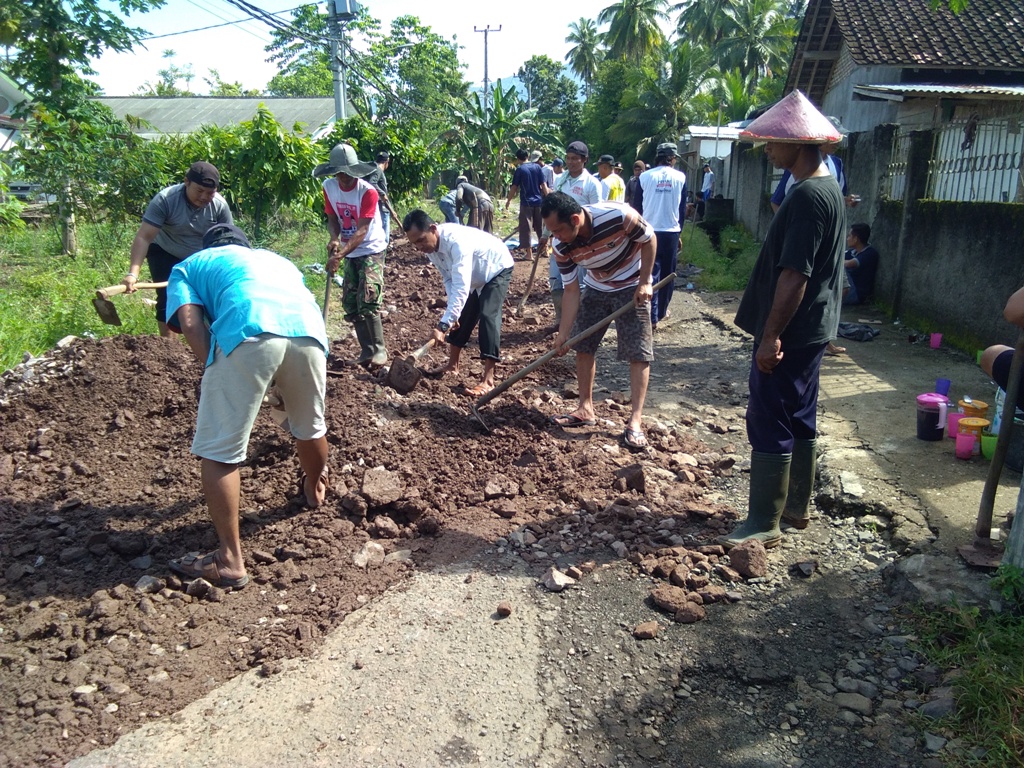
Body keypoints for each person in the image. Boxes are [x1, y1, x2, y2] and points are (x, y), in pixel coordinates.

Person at [164, 223, 330, 589]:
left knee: (220, 450)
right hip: (310, 334)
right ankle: (314, 489)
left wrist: (216, 365)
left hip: (249, 329)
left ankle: (229, 560)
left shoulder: (189, 266)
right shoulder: (277, 261)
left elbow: (190, 324)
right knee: (309, 425)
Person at [720, 90, 846, 549]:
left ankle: (762, 522)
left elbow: (795, 275)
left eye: (773, 140)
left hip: (792, 331)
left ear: (798, 143)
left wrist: (770, 335)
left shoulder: (810, 196)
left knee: (770, 414)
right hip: (812, 328)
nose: (767, 148)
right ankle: (795, 508)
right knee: (800, 413)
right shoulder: (825, 187)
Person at [541, 191, 657, 450]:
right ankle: (585, 409)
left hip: (631, 284)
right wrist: (563, 333)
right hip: (596, 285)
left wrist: (645, 282)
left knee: (637, 351)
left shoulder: (619, 216)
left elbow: (649, 239)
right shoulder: (561, 246)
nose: (555, 237)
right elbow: (571, 290)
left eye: (558, 230)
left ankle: (635, 420)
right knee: (582, 344)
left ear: (575, 219)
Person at [402, 209, 514, 397]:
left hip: (496, 268)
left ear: (433, 228)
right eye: (415, 243)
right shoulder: (430, 248)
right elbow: (448, 278)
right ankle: (452, 365)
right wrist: (452, 316)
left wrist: (444, 324)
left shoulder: (457, 242)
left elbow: (461, 285)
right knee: (461, 315)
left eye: (421, 240)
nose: (419, 247)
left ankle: (488, 380)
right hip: (473, 277)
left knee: (488, 315)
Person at [123, 161, 233, 337]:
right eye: (199, 191)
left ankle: (208, 349)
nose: (204, 197)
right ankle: (169, 350)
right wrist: (132, 273)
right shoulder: (166, 200)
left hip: (201, 256)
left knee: (207, 301)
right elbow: (144, 237)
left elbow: (227, 242)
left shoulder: (219, 206)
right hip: (166, 250)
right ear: (186, 182)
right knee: (167, 300)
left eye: (210, 193)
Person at [314, 143, 389, 369]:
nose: (344, 179)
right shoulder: (329, 187)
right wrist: (334, 238)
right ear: (334, 173)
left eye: (348, 174)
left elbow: (362, 230)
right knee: (350, 301)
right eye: (340, 174)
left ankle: (380, 349)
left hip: (370, 248)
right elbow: (332, 218)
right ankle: (366, 350)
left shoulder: (368, 192)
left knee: (368, 298)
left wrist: (339, 256)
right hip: (348, 248)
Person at [548, 141, 605, 330]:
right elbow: (552, 209)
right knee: (556, 279)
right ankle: (561, 320)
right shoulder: (560, 180)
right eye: (568, 158)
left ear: (584, 160)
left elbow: (596, 214)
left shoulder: (592, 184)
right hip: (560, 240)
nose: (571, 162)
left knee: (579, 283)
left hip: (581, 242)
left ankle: (577, 323)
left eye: (575, 159)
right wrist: (546, 234)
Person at [636, 143, 688, 330]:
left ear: (657, 157)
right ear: (673, 158)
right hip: (671, 232)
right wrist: (679, 232)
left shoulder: (644, 177)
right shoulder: (680, 177)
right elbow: (682, 210)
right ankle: (661, 311)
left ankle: (652, 315)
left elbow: (637, 208)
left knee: (650, 273)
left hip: (649, 232)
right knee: (668, 274)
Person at [505, 148, 548, 258]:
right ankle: (545, 250)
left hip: (526, 203)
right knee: (541, 227)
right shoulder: (537, 167)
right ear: (528, 156)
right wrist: (547, 198)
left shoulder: (520, 169)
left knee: (526, 228)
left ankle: (529, 254)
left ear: (518, 158)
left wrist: (508, 200)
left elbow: (514, 187)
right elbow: (543, 185)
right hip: (538, 201)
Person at [362, 150, 402, 242]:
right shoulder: (378, 170)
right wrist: (382, 193)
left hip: (382, 206)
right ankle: (383, 254)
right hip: (382, 207)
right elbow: (372, 183)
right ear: (386, 162)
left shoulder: (374, 169)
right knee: (384, 237)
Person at [842, 223, 879, 306]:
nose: (847, 239)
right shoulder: (852, 252)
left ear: (855, 239)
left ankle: (838, 299)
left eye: (849, 236)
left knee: (839, 267)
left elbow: (848, 264)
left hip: (857, 294)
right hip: (851, 290)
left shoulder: (870, 253)